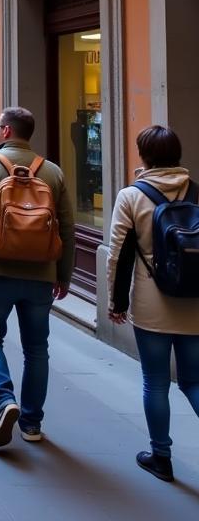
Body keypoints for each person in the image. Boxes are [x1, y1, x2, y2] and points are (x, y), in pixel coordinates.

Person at [0, 106, 75, 448]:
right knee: (37, 348)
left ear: (6, 131)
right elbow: (66, 226)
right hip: (40, 273)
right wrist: (63, 275)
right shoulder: (53, 172)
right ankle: (32, 423)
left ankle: (4, 398)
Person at [108, 125, 199, 483]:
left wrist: (116, 302)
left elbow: (118, 255)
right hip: (194, 301)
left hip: (151, 303)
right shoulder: (196, 191)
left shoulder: (132, 196)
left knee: (156, 382)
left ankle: (161, 456)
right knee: (193, 381)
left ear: (144, 155)